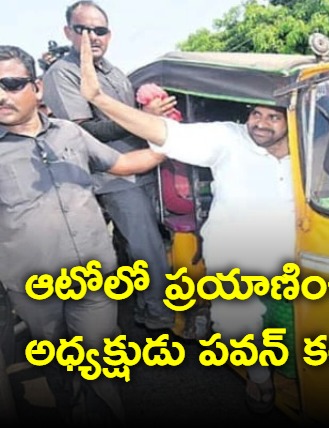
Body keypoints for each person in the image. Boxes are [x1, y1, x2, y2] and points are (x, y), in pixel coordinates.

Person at [77, 30, 292, 414]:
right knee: (239, 321)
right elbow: (163, 132)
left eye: (272, 117)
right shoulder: (228, 139)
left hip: (297, 251)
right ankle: (258, 381)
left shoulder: (308, 151)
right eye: (255, 114)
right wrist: (99, 99)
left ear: (290, 122)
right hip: (236, 250)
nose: (259, 123)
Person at [0, 45, 165, 426]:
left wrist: (169, 145)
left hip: (94, 277)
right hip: (33, 288)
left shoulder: (71, 133)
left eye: (11, 83)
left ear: (37, 88)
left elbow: (122, 163)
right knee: (57, 362)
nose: (2, 95)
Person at [42, 1, 177, 330]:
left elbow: (129, 115)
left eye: (99, 30)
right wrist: (144, 119)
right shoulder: (62, 73)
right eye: (82, 29)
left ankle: (143, 304)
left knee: (149, 241)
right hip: (112, 174)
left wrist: (152, 108)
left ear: (109, 34)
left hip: (145, 164)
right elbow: (83, 130)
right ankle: (157, 317)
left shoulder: (114, 71)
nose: (92, 36)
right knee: (146, 245)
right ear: (68, 32)